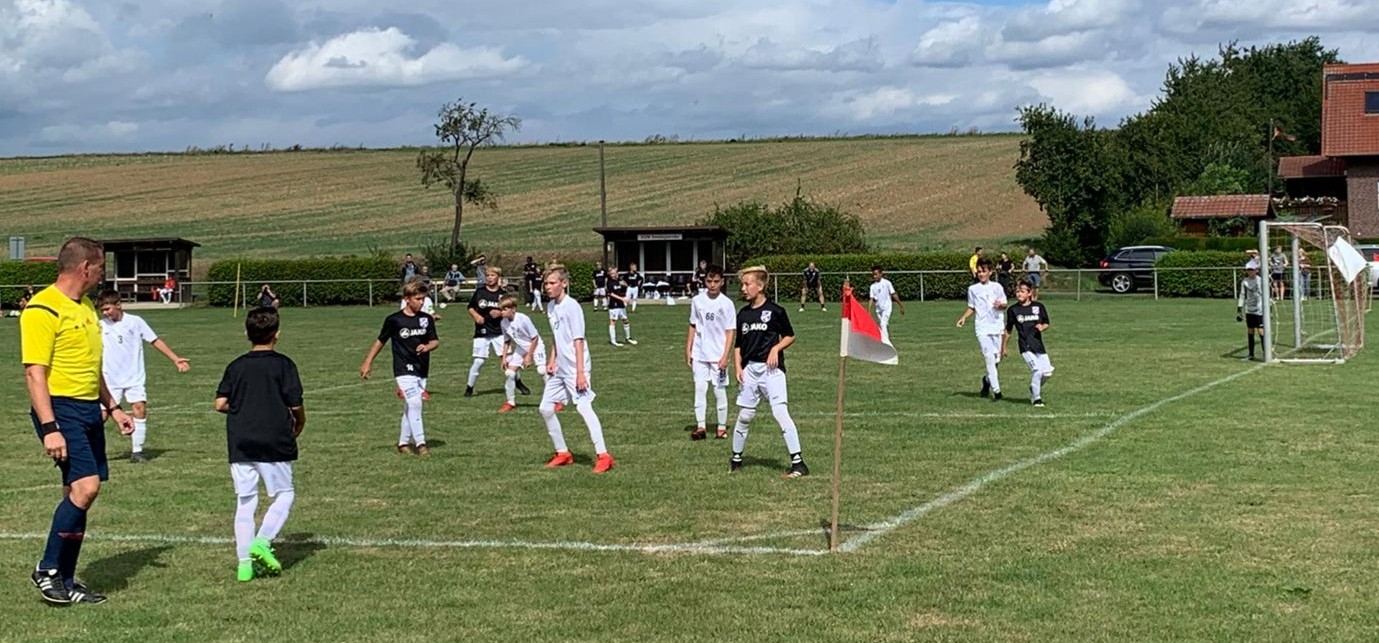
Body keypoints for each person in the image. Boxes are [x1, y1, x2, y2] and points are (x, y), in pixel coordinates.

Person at [21, 237, 135, 605]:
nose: (103, 275)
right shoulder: (42, 309)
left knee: (77, 495)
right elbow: (34, 373)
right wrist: (50, 428)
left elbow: (92, 367)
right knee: (87, 488)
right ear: (86, 267)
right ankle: (48, 569)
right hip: (60, 409)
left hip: (88, 409)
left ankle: (66, 580)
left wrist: (113, 408)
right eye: (101, 268)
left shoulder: (85, 307)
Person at [214, 306, 305, 582]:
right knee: (285, 494)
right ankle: (263, 542)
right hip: (274, 438)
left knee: (245, 501)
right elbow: (295, 404)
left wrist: (244, 410)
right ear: (277, 334)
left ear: (246, 334)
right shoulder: (284, 365)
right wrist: (299, 423)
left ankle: (244, 566)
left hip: (241, 441)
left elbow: (220, 404)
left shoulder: (236, 366)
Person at [729, 265, 808, 478]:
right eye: (742, 284)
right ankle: (736, 459)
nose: (743, 288)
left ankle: (798, 463)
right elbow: (738, 345)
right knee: (745, 415)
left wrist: (776, 348)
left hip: (772, 370)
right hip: (750, 370)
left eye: (747, 284)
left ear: (760, 286)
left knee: (780, 412)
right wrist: (738, 367)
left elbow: (790, 336)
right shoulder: (743, 314)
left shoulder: (775, 311)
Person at [96, 290, 191, 463]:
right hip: (110, 378)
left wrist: (175, 359)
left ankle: (137, 451)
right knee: (101, 415)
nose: (105, 313)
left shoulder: (135, 321)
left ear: (119, 305)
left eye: (108, 309)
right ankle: (91, 451)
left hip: (134, 375)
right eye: (102, 310)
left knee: (139, 408)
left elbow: (154, 340)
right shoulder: (100, 326)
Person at [537, 263, 616, 474]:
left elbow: (578, 340)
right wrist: (552, 359)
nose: (548, 287)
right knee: (545, 408)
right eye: (546, 283)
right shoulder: (551, 306)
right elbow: (557, 336)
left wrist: (581, 373)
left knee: (583, 407)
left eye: (552, 283)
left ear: (564, 283)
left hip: (575, 367)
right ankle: (563, 453)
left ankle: (604, 455)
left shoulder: (572, 307)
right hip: (559, 368)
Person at [360, 280, 439, 455]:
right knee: (415, 402)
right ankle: (421, 444)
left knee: (410, 407)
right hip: (403, 368)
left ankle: (403, 443)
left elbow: (435, 341)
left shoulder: (426, 319)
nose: (421, 302)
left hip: (422, 368)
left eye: (423, 299)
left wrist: (427, 347)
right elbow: (380, 341)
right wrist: (368, 362)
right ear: (407, 299)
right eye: (418, 299)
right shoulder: (394, 320)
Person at [686, 264, 736, 441]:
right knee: (700, 388)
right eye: (709, 281)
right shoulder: (697, 300)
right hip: (700, 353)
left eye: (716, 281)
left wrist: (725, 356)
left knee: (719, 390)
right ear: (704, 281)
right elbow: (693, 325)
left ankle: (721, 428)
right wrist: (688, 348)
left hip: (718, 355)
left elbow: (730, 331)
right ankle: (701, 426)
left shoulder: (727, 304)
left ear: (722, 282)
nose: (712, 285)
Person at [956, 258, 1008, 402]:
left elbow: (1005, 305)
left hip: (996, 326)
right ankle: (997, 392)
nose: (981, 274)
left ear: (990, 272)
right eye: (979, 272)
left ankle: (987, 380)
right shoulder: (973, 289)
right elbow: (972, 307)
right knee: (989, 358)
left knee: (996, 360)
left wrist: (1000, 305)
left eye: (983, 271)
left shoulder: (997, 287)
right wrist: (963, 317)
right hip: (982, 328)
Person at [1002, 280, 1054, 407]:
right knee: (1037, 370)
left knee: (1047, 372)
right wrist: (1004, 347)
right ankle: (1036, 398)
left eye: (1022, 291)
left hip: (1038, 345)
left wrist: (1042, 327)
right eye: (1017, 291)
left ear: (1030, 293)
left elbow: (1046, 323)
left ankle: (1034, 387)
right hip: (1025, 346)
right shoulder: (1013, 310)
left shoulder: (1038, 307)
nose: (1019, 294)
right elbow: (1008, 330)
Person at [466, 266, 510, 398]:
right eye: (488, 275)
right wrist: (476, 316)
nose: (489, 278)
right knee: (479, 361)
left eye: (492, 275)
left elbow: (511, 311)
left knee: (507, 360)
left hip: (499, 331)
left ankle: (518, 382)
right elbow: (470, 307)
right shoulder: (480, 292)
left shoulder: (503, 294)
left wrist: (500, 313)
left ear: (498, 277)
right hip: (482, 331)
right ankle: (469, 388)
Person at [499, 294, 548, 413]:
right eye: (501, 309)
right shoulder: (503, 323)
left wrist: (529, 356)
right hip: (521, 349)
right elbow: (507, 341)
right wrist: (504, 358)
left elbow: (535, 338)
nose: (502, 312)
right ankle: (510, 402)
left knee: (542, 370)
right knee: (509, 373)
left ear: (513, 309)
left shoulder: (523, 319)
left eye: (504, 309)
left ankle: (555, 400)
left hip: (536, 347)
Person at [868, 265, 905, 344]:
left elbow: (893, 294)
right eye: (873, 275)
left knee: (883, 324)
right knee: (882, 325)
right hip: (878, 309)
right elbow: (872, 299)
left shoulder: (887, 283)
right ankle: (885, 339)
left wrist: (900, 305)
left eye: (876, 274)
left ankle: (886, 343)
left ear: (881, 274)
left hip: (887, 307)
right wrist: (869, 310)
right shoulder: (872, 286)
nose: (874, 276)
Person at [1237, 262, 1265, 361]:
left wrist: (1268, 309)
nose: (1249, 272)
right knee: (1250, 330)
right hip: (1249, 309)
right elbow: (1242, 295)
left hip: (1259, 309)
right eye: (1248, 270)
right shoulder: (1245, 281)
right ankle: (1251, 354)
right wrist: (1239, 308)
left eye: (1251, 270)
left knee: (1261, 331)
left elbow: (1266, 295)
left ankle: (1265, 353)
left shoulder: (1260, 281)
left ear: (1256, 270)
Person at [605, 266, 637, 346]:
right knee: (613, 321)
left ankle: (628, 338)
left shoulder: (619, 281)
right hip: (613, 304)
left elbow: (625, 288)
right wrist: (622, 299)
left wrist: (626, 298)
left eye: (614, 273)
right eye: (611, 273)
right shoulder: (609, 282)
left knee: (625, 320)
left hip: (621, 304)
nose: (613, 275)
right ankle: (613, 341)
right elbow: (610, 294)